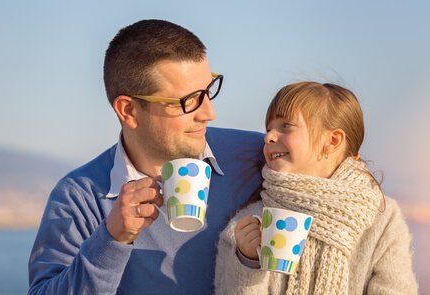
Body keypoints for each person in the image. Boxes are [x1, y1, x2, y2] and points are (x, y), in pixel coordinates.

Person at [28, 19, 264, 294]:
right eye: (189, 101)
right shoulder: (79, 197)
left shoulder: (255, 156)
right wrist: (111, 239)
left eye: (208, 91)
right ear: (128, 110)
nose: (209, 113)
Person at [214, 82, 418, 294]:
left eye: (286, 126)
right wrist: (247, 261)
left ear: (332, 140)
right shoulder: (250, 222)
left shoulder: (382, 219)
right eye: (268, 129)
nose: (269, 137)